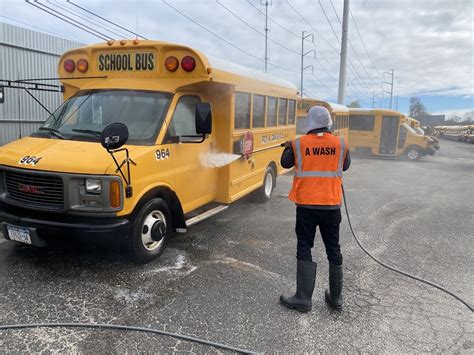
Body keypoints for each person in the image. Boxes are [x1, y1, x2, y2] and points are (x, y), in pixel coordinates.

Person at [279, 106, 350, 313]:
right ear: (328, 123)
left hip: (307, 206)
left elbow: (285, 163)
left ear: (309, 122)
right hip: (331, 206)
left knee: (304, 246)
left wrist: (289, 147)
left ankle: (303, 299)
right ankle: (336, 299)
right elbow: (345, 166)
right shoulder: (341, 143)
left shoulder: (299, 143)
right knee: (333, 248)